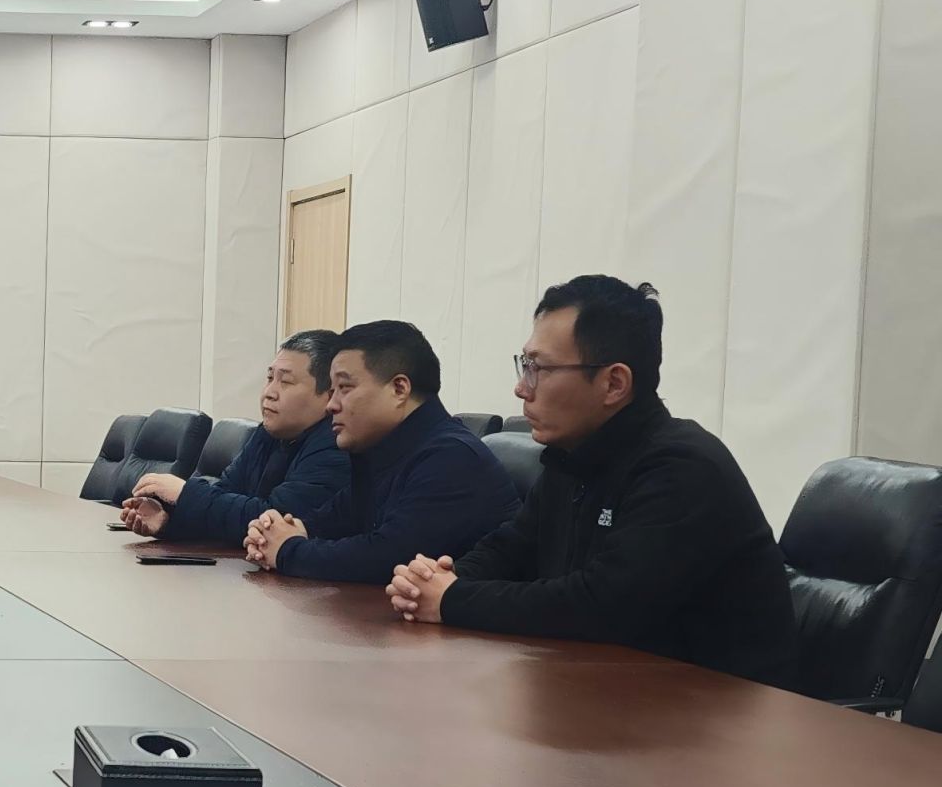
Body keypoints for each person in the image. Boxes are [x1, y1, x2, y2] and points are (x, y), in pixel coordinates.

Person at [385, 277, 798, 687]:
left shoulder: (682, 466)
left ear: (614, 383)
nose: (521, 388)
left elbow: (601, 605)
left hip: (718, 708)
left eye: (540, 369)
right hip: (611, 690)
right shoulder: (573, 456)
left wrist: (453, 598)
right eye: (524, 365)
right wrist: (436, 581)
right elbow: (510, 549)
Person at [244, 319, 517, 584]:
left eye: (345, 388)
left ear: (399, 389)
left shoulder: (452, 458)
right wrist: (282, 531)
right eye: (332, 390)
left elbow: (386, 557)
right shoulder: (381, 449)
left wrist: (286, 550)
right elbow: (334, 519)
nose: (331, 405)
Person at [121, 331, 349, 545]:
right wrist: (168, 522)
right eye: (269, 378)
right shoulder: (268, 433)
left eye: (286, 382)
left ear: (329, 396)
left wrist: (184, 493)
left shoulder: (336, 446)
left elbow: (273, 522)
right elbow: (225, 498)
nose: (269, 392)